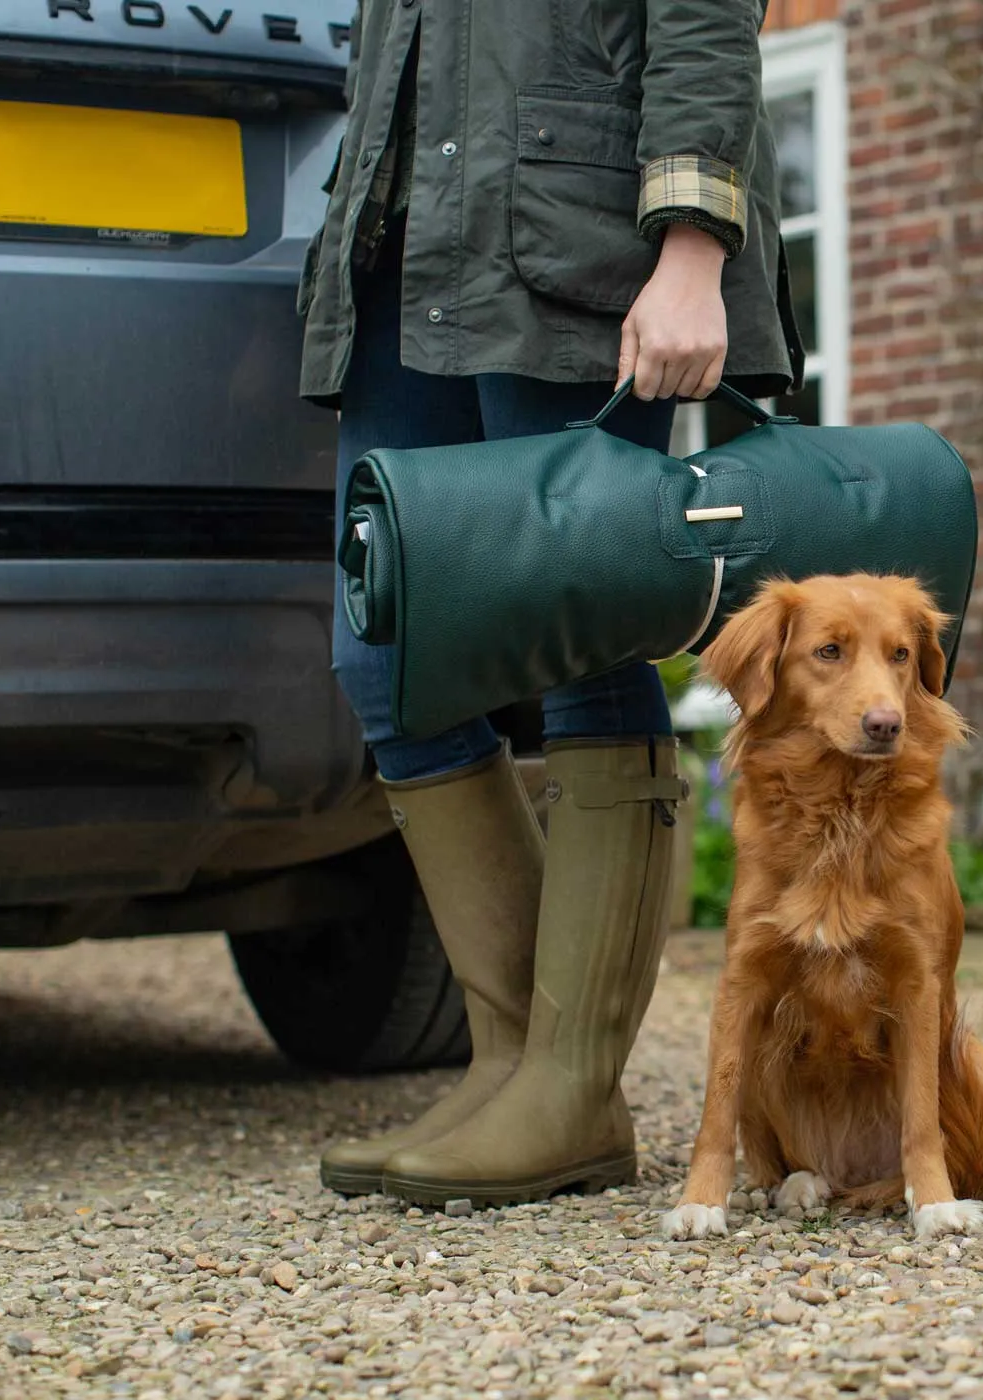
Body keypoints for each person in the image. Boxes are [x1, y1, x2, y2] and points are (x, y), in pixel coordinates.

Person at [296, 0, 802, 1206]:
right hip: (402, 254)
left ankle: (569, 1088)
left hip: (571, 240)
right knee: (385, 652)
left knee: (585, 635)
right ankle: (511, 1061)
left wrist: (692, 245)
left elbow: (701, 18)